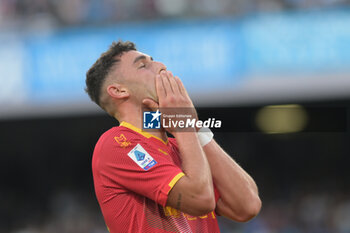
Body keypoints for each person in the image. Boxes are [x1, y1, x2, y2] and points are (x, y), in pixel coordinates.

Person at [85, 41, 261, 233]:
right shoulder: (117, 144)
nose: (162, 66)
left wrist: (195, 128)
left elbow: (247, 206)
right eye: (143, 65)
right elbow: (200, 198)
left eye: (155, 61)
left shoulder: (184, 145)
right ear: (119, 91)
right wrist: (183, 124)